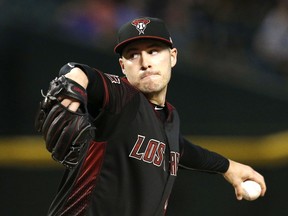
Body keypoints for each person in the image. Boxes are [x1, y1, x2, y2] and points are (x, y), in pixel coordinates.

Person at [38, 17, 266, 216]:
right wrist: (73, 84)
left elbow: (179, 149)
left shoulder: (170, 118)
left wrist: (227, 167)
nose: (145, 62)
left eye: (153, 51)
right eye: (133, 55)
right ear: (123, 66)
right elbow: (79, 72)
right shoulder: (121, 97)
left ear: (173, 57)